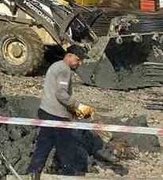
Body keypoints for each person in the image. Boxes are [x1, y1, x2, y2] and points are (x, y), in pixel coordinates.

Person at [26, 45, 124, 178]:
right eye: (78, 59)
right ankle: (69, 174)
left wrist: (75, 112)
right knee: (67, 147)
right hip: (56, 115)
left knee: (44, 144)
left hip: (46, 110)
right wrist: (78, 107)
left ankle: (33, 172)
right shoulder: (64, 70)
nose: (80, 63)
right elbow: (61, 94)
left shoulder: (56, 66)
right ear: (69, 55)